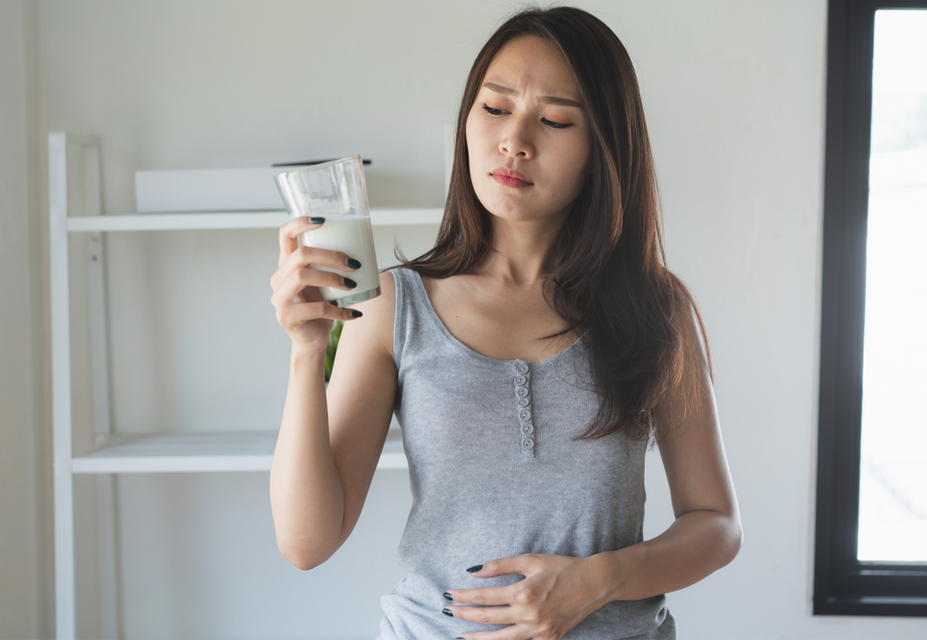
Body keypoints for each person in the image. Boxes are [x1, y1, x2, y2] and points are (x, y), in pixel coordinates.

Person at [268, 6, 742, 639]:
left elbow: (716, 524)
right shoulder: (393, 305)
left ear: (601, 149)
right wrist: (305, 353)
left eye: (554, 119)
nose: (515, 139)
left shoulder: (655, 311)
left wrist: (598, 580)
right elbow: (307, 543)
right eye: (494, 109)